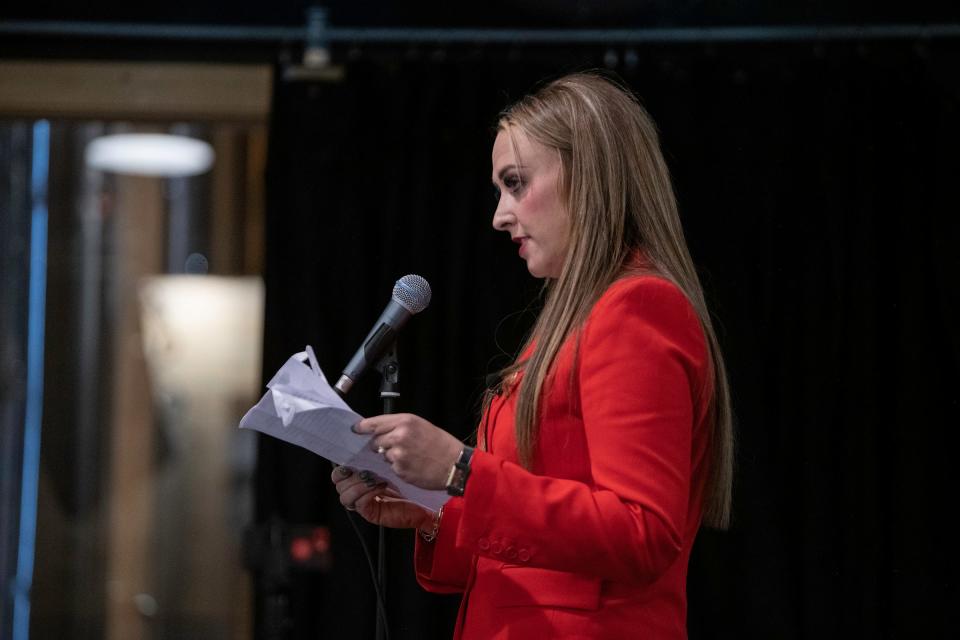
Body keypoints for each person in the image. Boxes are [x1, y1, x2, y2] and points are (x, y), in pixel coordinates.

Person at [331, 71, 734, 639]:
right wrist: (430, 513)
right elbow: (525, 548)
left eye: (515, 183)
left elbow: (642, 532)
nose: (499, 215)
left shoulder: (637, 308)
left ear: (589, 176)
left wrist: (460, 468)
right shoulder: (574, 317)